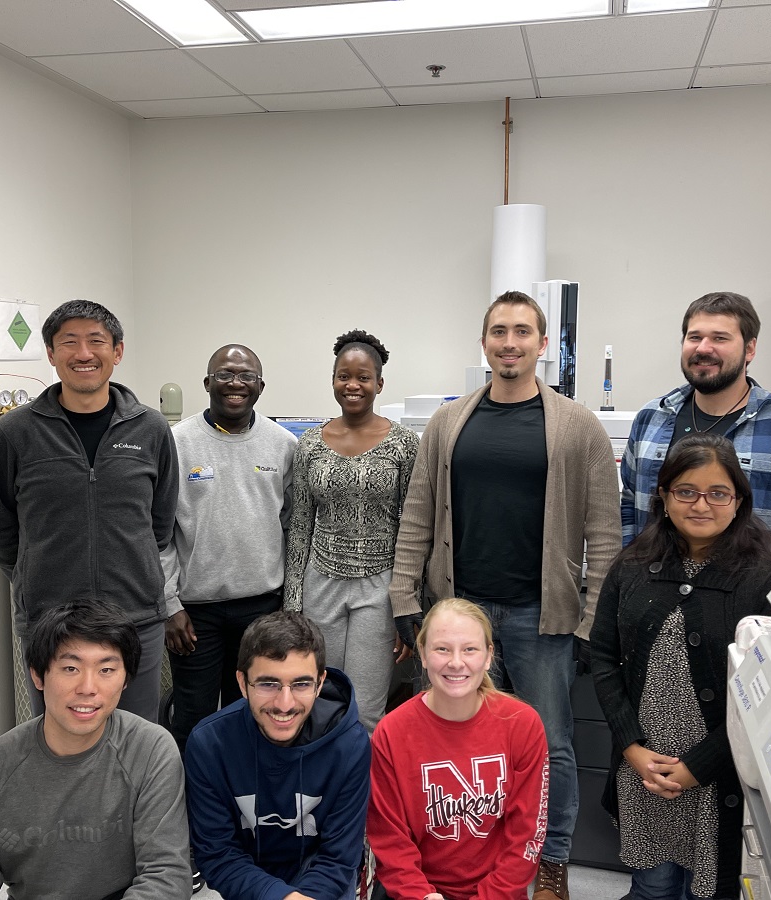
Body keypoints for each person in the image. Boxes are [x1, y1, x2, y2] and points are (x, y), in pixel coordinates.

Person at [389, 290, 620, 900]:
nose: (509, 342)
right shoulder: (448, 422)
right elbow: (418, 515)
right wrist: (404, 597)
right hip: (458, 613)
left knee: (552, 746)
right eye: (499, 331)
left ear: (543, 345)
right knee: (457, 743)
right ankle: (463, 858)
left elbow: (604, 533)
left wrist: (592, 622)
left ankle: (552, 861)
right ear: (484, 342)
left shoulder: (578, 426)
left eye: (522, 332)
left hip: (541, 618)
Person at [588, 434, 771, 900]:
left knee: (708, 888)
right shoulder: (632, 565)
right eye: (686, 491)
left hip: (717, 775)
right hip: (644, 768)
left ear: (738, 501)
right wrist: (632, 748)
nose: (701, 505)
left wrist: (698, 766)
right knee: (653, 885)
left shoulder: (766, 578)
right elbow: (602, 656)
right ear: (664, 497)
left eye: (718, 493)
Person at [0, 300, 179, 722]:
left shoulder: (151, 428)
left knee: (136, 738)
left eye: (96, 341)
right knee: (58, 737)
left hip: (136, 615)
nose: (83, 353)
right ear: (51, 354)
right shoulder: (15, 432)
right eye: (69, 342)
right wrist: (35, 568)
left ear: (117, 352)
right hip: (50, 621)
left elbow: (160, 522)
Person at [0, 601, 194, 899]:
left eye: (106, 669)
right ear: (37, 676)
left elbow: (166, 876)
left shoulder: (151, 751)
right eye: (70, 668)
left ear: (125, 681)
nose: (88, 687)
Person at [620, 291, 771, 583]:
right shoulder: (652, 417)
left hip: (748, 605)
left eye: (720, 338)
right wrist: (630, 581)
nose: (704, 348)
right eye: (695, 337)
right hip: (652, 595)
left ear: (750, 349)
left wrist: (763, 600)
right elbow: (629, 506)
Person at [162, 344, 297, 752]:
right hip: (194, 615)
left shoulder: (284, 444)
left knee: (254, 715)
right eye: (224, 374)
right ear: (207, 383)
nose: (235, 384)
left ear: (260, 386)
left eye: (246, 376)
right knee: (193, 719)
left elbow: (292, 525)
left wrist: (289, 603)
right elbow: (159, 532)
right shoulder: (176, 442)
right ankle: (192, 795)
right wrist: (169, 604)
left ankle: (244, 790)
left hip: (262, 608)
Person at [367, 598, 549, 900]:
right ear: (423, 654)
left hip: (497, 893)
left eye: (470, 649)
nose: (455, 662)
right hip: (416, 890)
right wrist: (421, 895)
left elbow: (526, 836)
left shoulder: (522, 724)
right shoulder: (391, 732)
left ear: (489, 656)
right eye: (442, 649)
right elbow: (390, 838)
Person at [284, 329, 418, 732]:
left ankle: (363, 776)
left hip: (379, 587)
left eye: (363, 377)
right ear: (333, 380)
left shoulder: (404, 444)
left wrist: (407, 605)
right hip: (320, 583)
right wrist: (293, 602)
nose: (353, 385)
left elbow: (413, 527)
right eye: (344, 376)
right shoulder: (309, 444)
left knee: (365, 710)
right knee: (318, 700)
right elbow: (300, 524)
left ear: (380, 383)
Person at [184, 610, 370, 900]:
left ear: (320, 683)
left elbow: (339, 857)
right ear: (242, 683)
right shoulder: (209, 744)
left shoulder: (350, 745)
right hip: (248, 881)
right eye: (268, 684)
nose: (285, 704)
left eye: (301, 684)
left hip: (322, 881)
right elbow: (218, 853)